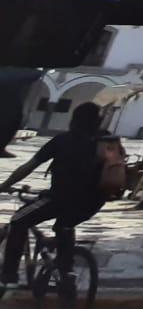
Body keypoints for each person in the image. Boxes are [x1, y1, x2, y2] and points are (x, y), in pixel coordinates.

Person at [1, 103, 108, 291]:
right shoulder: (107, 141)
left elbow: (28, 166)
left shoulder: (63, 140)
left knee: (18, 220)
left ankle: (9, 274)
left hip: (61, 198)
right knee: (64, 226)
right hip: (93, 202)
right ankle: (66, 273)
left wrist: (5, 185)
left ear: (74, 120)